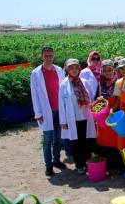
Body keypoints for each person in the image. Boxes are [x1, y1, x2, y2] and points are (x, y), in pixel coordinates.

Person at [30, 46, 67, 176]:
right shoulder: (36, 73)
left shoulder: (59, 70)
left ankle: (56, 160)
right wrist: (38, 113)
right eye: (46, 56)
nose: (48, 58)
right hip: (46, 111)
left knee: (58, 138)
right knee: (47, 139)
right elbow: (34, 94)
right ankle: (48, 165)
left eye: (51, 55)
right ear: (42, 56)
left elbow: (64, 90)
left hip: (59, 110)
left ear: (53, 56)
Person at [59, 59, 97, 174]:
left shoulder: (85, 82)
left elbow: (92, 98)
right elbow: (61, 104)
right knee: (76, 143)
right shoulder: (64, 84)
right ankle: (79, 165)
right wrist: (63, 121)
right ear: (67, 69)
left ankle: (87, 163)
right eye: (71, 68)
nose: (74, 70)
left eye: (76, 67)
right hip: (73, 118)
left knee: (86, 142)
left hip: (86, 116)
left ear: (79, 68)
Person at [94, 59, 121, 168]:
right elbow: (96, 99)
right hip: (103, 115)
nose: (108, 73)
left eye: (110, 70)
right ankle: (107, 164)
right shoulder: (100, 83)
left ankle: (116, 164)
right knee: (104, 140)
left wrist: (113, 109)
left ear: (113, 70)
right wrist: (99, 100)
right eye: (105, 71)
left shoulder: (117, 82)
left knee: (114, 140)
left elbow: (119, 99)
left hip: (114, 113)